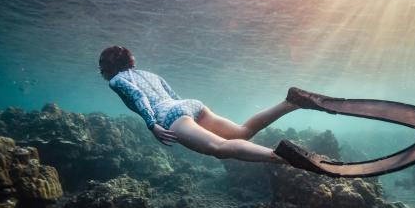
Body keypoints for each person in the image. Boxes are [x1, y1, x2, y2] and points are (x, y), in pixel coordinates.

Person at [99, 46, 300, 164]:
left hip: (169, 115)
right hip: (188, 104)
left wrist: (152, 125)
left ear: (107, 67)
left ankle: (282, 157)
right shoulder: (151, 74)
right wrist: (186, 114)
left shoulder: (116, 80)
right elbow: (173, 96)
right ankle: (291, 102)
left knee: (219, 148)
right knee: (242, 132)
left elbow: (137, 94)